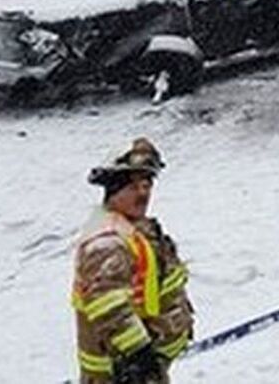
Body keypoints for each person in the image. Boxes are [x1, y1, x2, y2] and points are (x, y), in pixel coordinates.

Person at [72, 138, 193, 384]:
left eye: (147, 185)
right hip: (122, 372)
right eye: (133, 187)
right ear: (114, 191)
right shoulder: (107, 241)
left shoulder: (133, 229)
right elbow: (108, 305)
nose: (143, 193)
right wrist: (139, 355)